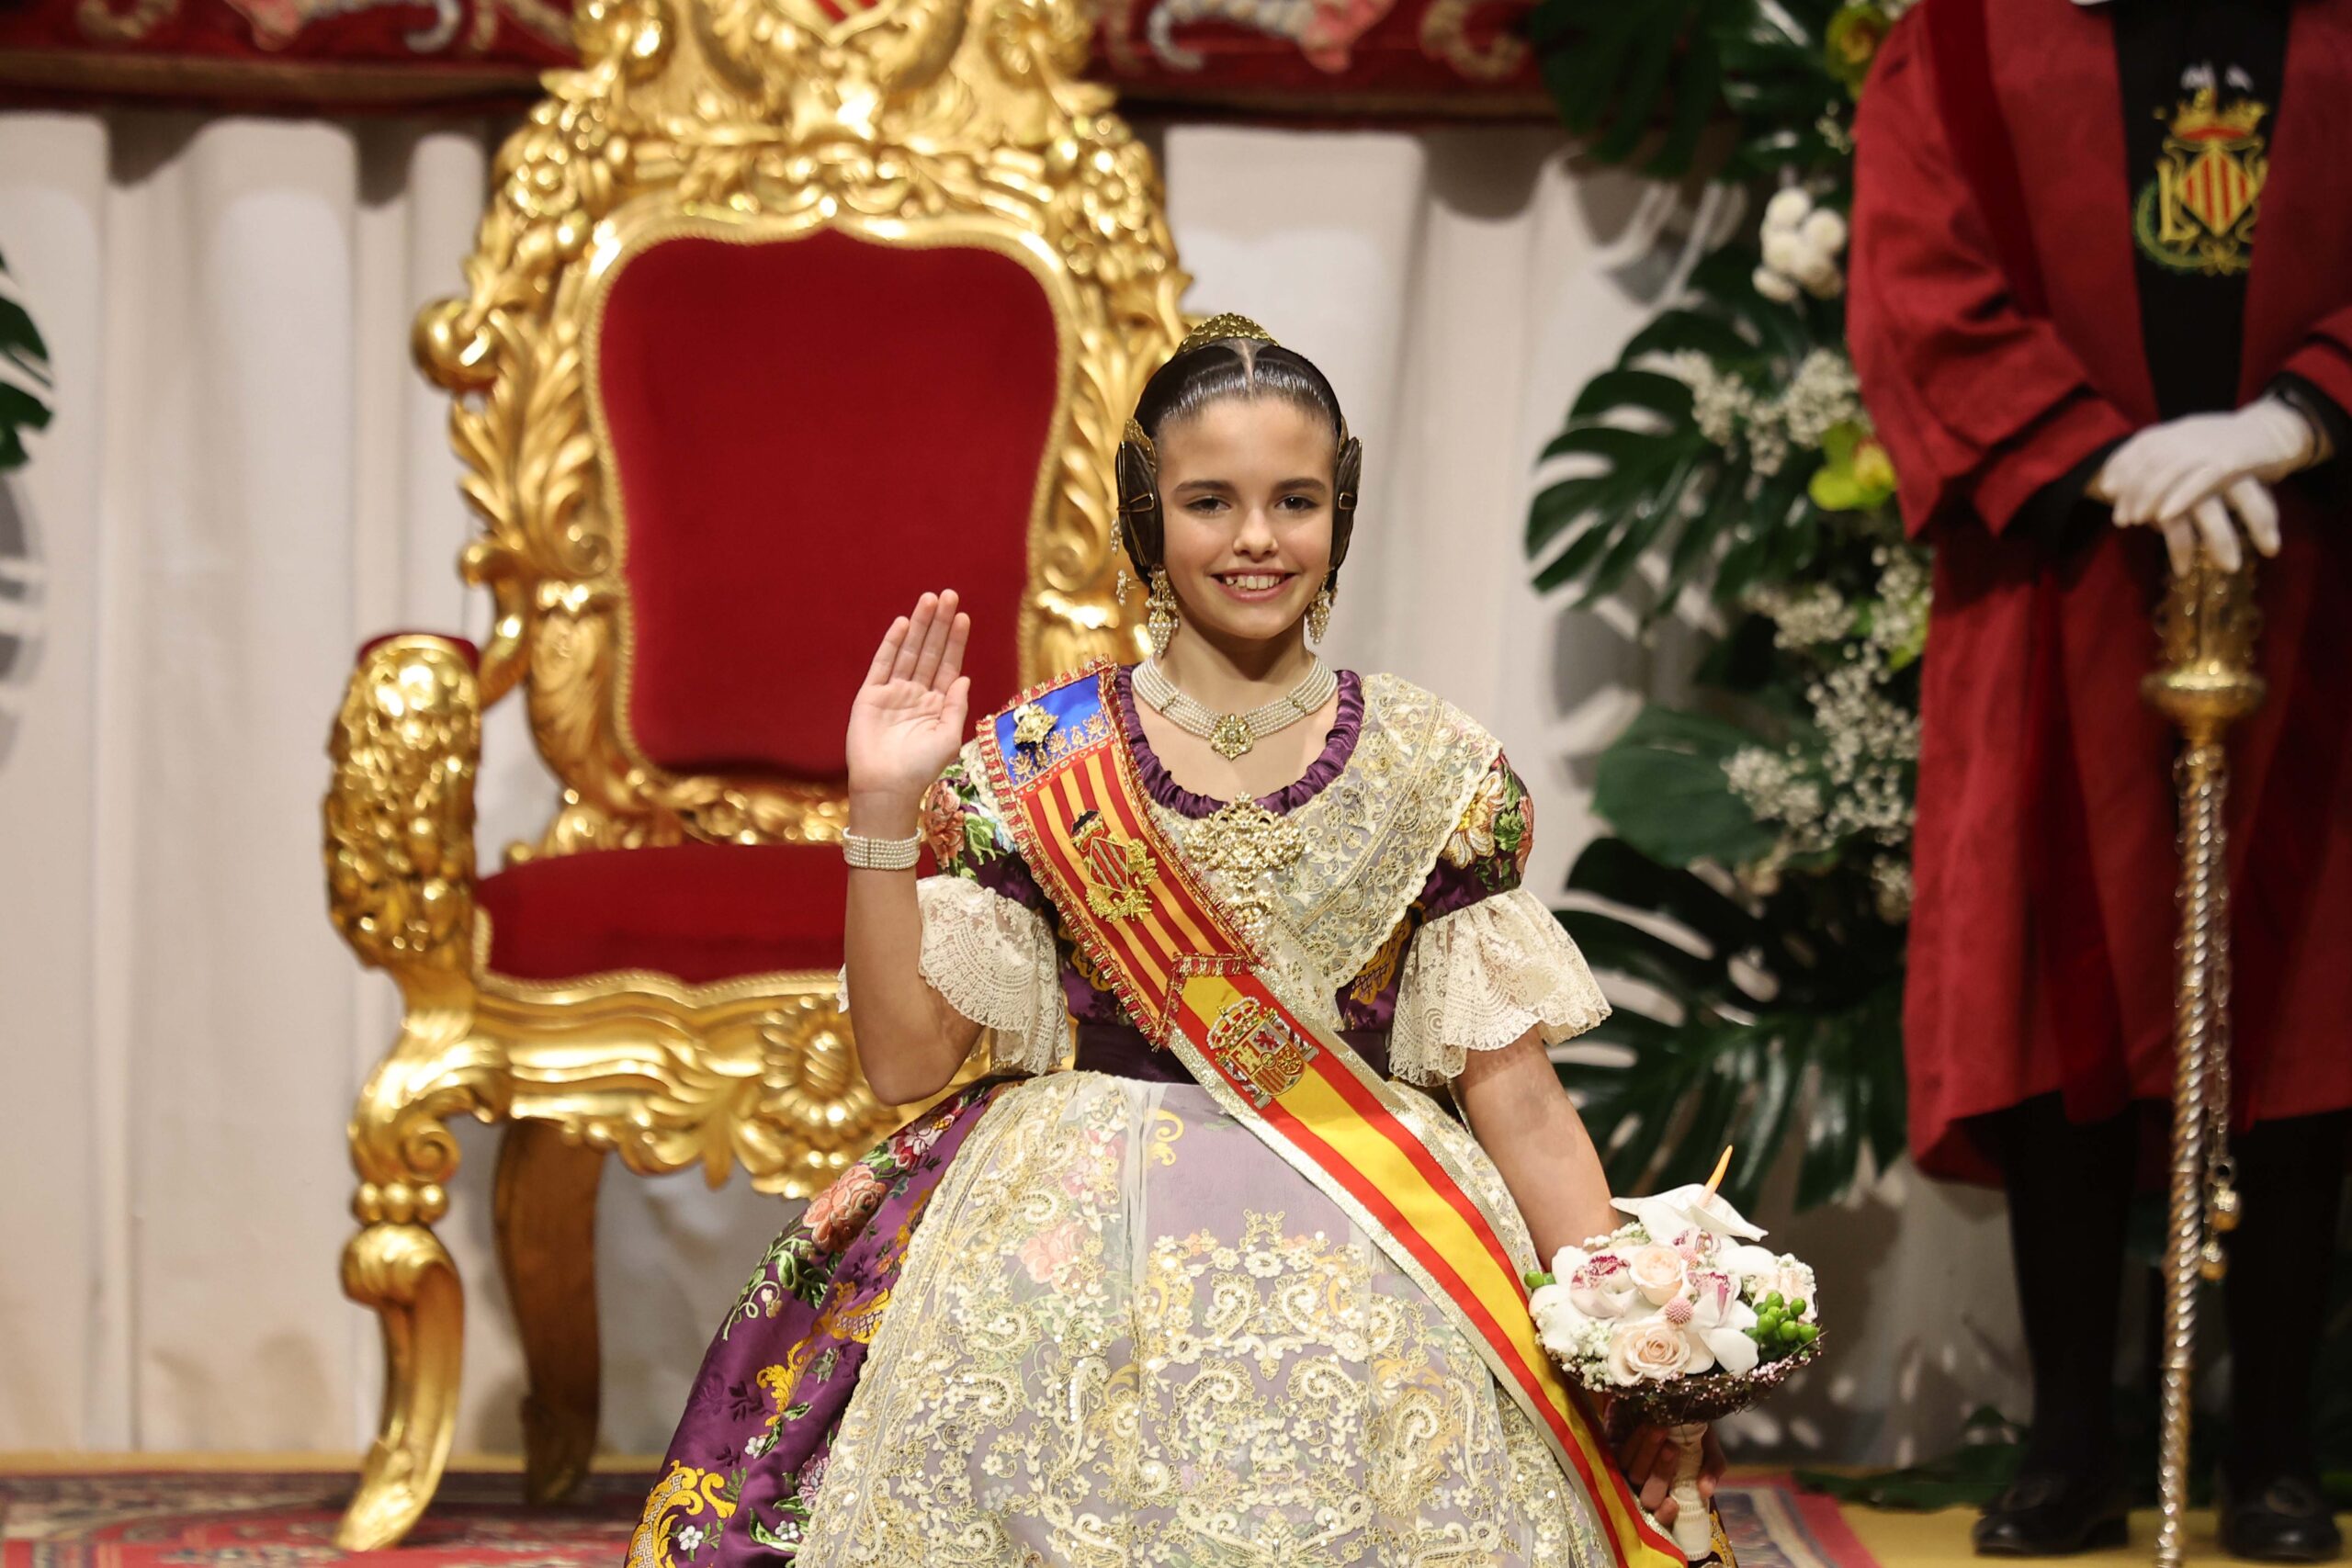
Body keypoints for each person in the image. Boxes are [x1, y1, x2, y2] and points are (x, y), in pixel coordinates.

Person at [628, 316, 1719, 1567]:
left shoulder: (1439, 770)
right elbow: (904, 1066)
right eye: (1211, 501)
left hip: (1379, 1229)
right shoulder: (1036, 765)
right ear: (1149, 516)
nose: (1256, 540)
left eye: (1294, 500)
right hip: (1069, 1241)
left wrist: (1631, 1319)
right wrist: (884, 808)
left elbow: (1515, 1096)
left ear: (1341, 512)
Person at [1848, 0, 2352, 1559]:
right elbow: (1917, 272)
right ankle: (2071, 1437)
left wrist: (2297, 417)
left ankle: (2274, 1445)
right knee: (2059, 987)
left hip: (2319, 549)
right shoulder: (1969, 39)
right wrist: (2092, 454)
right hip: (2061, 570)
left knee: (2307, 1004)